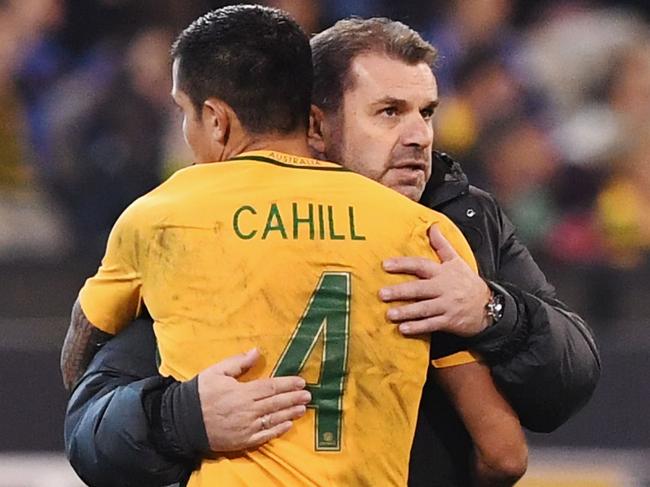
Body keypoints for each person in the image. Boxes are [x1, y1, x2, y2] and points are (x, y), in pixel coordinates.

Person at [64, 15, 599, 487]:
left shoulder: (462, 218)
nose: (418, 136)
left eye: (427, 112)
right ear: (315, 124)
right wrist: (177, 417)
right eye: (389, 112)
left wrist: (489, 310)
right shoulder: (417, 236)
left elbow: (571, 379)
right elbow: (503, 453)